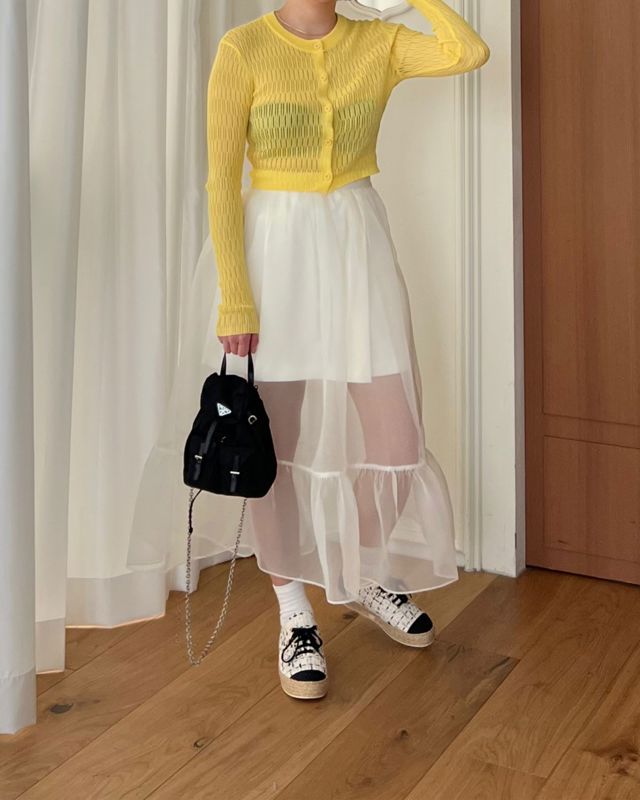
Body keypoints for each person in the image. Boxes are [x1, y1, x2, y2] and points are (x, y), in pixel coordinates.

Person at [127, 0, 490, 701]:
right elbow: (220, 182)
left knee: (399, 442)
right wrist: (236, 296)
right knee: (276, 449)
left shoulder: (380, 43)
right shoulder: (243, 49)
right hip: (276, 258)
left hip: (358, 249)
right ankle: (294, 611)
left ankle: (359, 572)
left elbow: (466, 52)